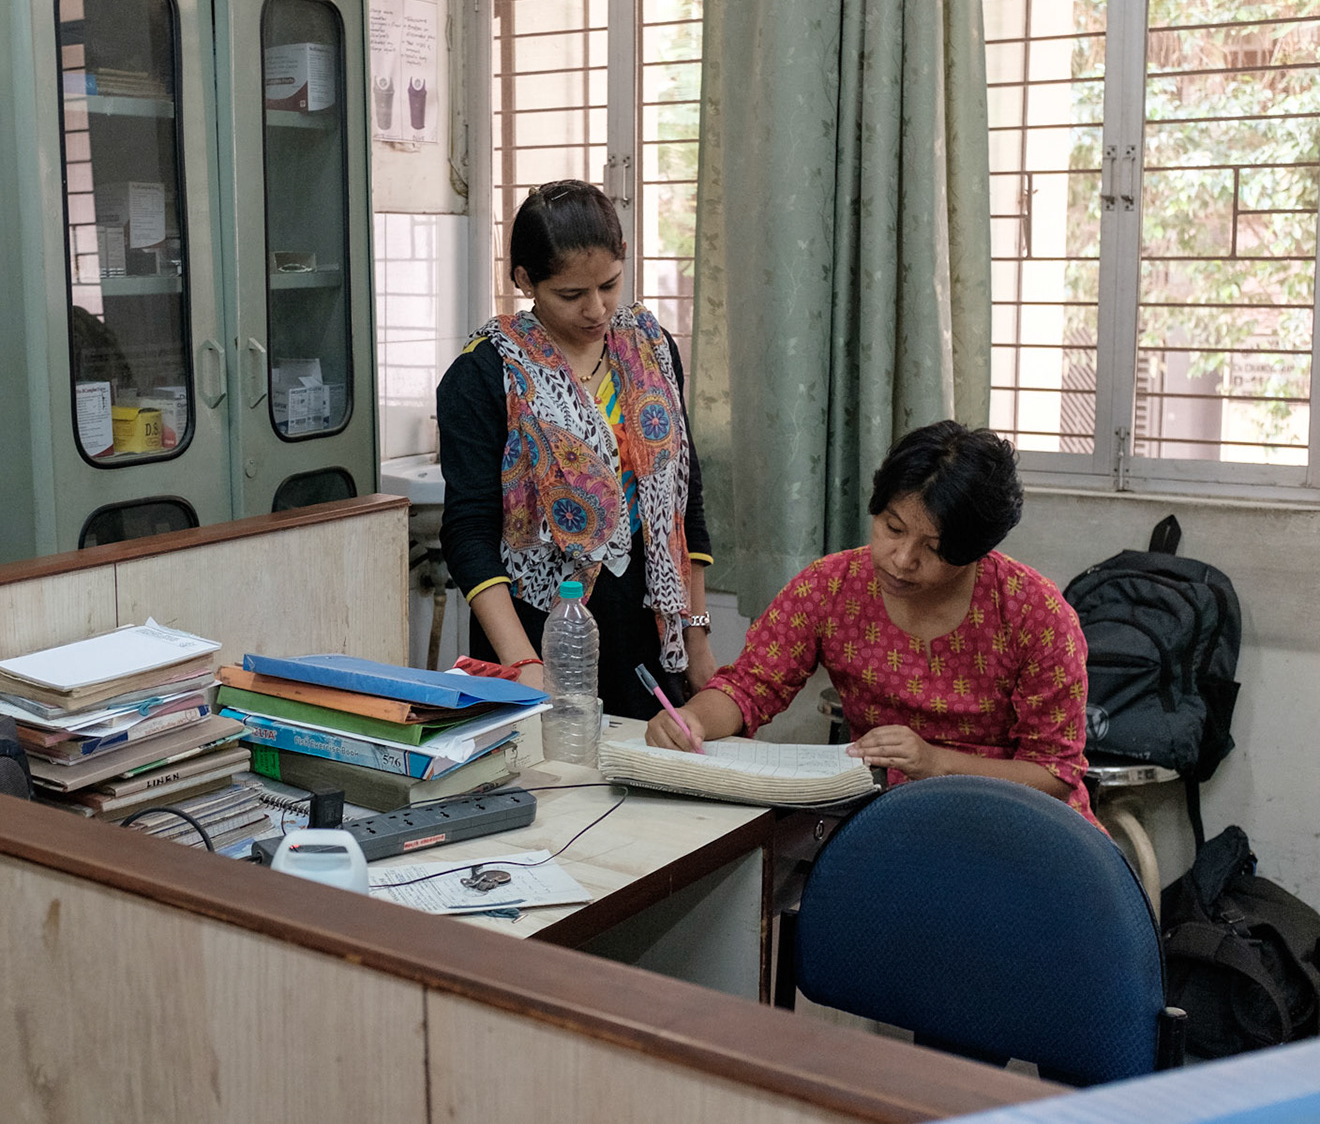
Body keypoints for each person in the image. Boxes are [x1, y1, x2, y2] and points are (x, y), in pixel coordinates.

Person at [647, 421, 1097, 824]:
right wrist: (691, 720)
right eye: (892, 528)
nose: (902, 561)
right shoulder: (831, 586)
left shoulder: (1034, 614)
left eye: (935, 549)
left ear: (976, 550)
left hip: (1023, 830)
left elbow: (1054, 773)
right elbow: (749, 686)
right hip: (891, 821)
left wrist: (934, 762)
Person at [438, 179, 715, 721]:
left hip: (644, 619)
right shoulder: (485, 374)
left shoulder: (650, 349)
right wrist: (523, 666)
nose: (597, 309)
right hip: (535, 626)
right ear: (525, 280)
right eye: (571, 295)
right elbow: (469, 534)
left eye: (609, 285)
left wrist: (697, 639)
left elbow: (686, 500)